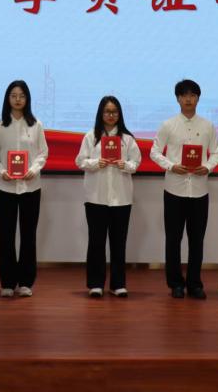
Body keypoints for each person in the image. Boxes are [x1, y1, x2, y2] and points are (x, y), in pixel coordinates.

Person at [150, 79, 218, 299]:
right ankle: (175, 284)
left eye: (192, 95)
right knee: (173, 239)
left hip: (199, 191)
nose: (188, 99)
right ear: (178, 99)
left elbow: (216, 152)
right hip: (174, 190)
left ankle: (195, 284)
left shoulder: (207, 126)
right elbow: (154, 152)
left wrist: (207, 167)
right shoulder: (168, 125)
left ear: (198, 98)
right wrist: (171, 166)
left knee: (196, 240)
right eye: (184, 95)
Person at [0, 80, 49, 297]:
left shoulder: (36, 125)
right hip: (5, 187)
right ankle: (7, 282)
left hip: (31, 187)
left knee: (28, 235)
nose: (18, 99)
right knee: (6, 235)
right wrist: (1, 171)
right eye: (13, 95)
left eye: (22, 95)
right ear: (7, 99)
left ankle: (26, 282)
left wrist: (34, 169)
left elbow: (43, 153)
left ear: (27, 99)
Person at [75, 96, 141, 298]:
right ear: (100, 114)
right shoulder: (91, 137)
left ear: (119, 114)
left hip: (121, 199)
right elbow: (80, 161)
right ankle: (95, 284)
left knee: (118, 243)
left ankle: (118, 284)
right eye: (107, 112)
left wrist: (125, 165)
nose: (111, 115)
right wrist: (96, 163)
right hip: (96, 198)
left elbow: (136, 163)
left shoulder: (127, 139)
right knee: (96, 242)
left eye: (114, 112)